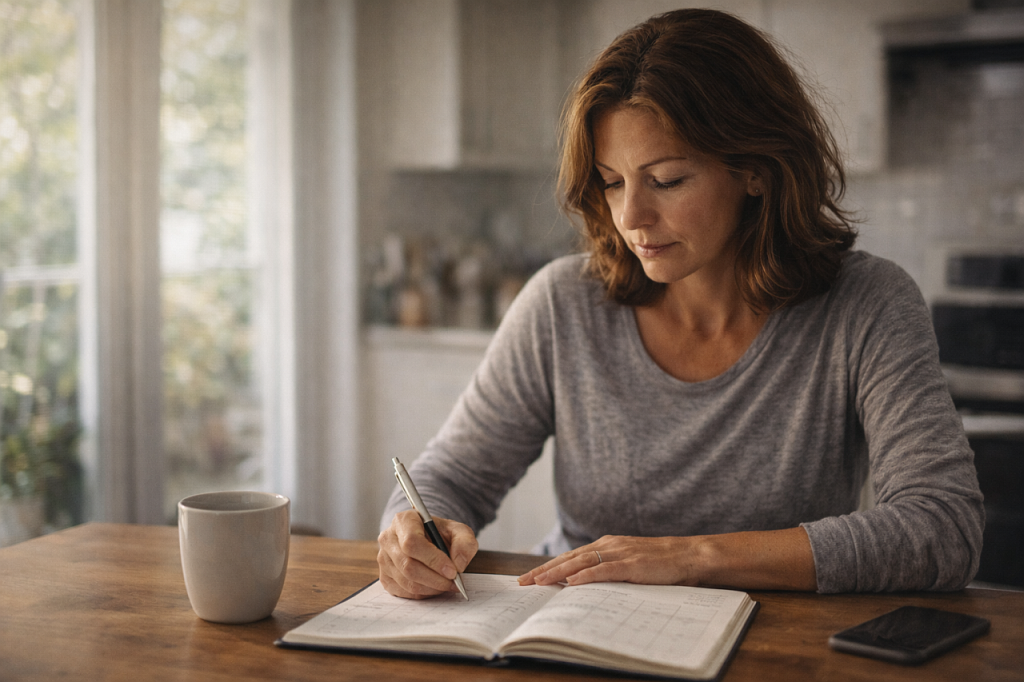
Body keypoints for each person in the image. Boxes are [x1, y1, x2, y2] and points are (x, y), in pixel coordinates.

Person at [377, 8, 984, 599]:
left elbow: (943, 526)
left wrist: (692, 556)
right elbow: (449, 479)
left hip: (774, 650)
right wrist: (412, 531)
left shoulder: (866, 306)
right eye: (612, 182)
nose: (631, 218)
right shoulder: (562, 306)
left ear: (755, 170)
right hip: (575, 631)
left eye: (667, 179)